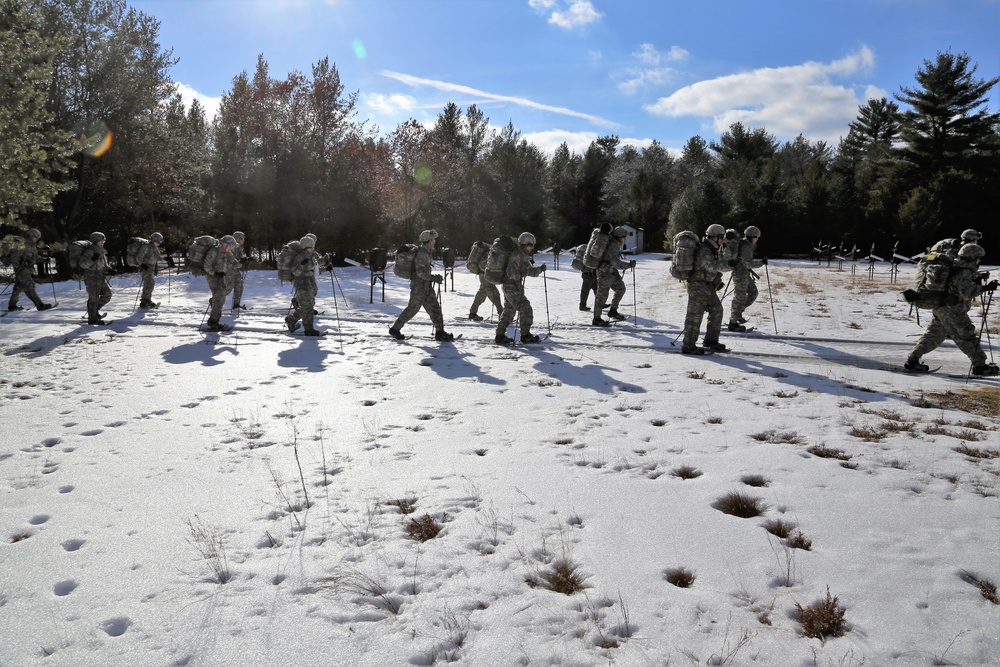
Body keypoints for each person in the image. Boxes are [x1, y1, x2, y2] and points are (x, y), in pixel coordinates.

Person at [905, 243, 999, 376]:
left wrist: (976, 280)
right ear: (973, 258)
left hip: (940, 307)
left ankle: (912, 360)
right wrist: (985, 288)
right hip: (953, 310)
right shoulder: (964, 271)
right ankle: (980, 366)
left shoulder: (955, 265)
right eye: (979, 259)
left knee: (933, 335)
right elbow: (966, 292)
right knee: (966, 336)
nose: (979, 262)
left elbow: (956, 285)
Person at [389, 229, 454, 341]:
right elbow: (420, 273)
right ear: (428, 241)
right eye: (433, 240)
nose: (434, 242)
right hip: (419, 287)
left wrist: (432, 278)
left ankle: (440, 332)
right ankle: (395, 329)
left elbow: (423, 271)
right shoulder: (422, 254)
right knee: (412, 310)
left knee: (435, 308)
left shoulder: (426, 252)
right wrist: (433, 278)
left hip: (425, 285)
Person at [682, 224, 733, 355]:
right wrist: (729, 265)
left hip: (708, 286)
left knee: (717, 310)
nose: (722, 240)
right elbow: (710, 266)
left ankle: (711, 341)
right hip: (698, 286)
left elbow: (718, 262)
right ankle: (688, 345)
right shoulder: (704, 250)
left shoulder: (712, 249)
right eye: (721, 237)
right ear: (714, 237)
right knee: (694, 317)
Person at [495, 232, 546, 344]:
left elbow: (529, 270)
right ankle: (525, 335)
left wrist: (539, 269)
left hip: (511, 287)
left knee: (509, 311)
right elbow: (511, 273)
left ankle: (500, 335)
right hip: (511, 287)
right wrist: (524, 272)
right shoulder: (516, 256)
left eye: (533, 245)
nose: (532, 248)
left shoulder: (522, 255)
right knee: (526, 308)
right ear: (524, 244)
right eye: (530, 245)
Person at [592, 226, 635, 327]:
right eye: (624, 237)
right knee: (602, 296)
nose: (625, 239)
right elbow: (616, 263)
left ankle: (613, 311)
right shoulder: (612, 246)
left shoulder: (616, 245)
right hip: (604, 273)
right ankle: (596, 319)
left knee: (621, 289)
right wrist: (629, 265)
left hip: (611, 272)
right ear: (619, 237)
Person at [727, 226, 766, 332]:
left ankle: (738, 313)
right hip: (740, 275)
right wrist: (761, 263)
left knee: (753, 292)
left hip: (745, 274)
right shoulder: (746, 247)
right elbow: (748, 263)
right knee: (739, 298)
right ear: (753, 237)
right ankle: (733, 323)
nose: (758, 239)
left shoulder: (748, 245)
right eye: (757, 237)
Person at [6, 228, 54, 311]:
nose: (37, 239)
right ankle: (40, 305)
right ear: (31, 236)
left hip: (28, 270)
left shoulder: (32, 246)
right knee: (30, 286)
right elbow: (14, 257)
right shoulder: (22, 245)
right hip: (22, 270)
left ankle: (12, 305)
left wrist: (43, 259)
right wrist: (18, 267)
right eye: (36, 237)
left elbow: (35, 257)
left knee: (18, 288)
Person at [284, 236, 322, 335]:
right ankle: (309, 330)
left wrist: (326, 266)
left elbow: (315, 268)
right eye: (310, 247)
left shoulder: (312, 255)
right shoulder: (300, 256)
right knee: (308, 306)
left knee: (308, 305)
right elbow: (295, 272)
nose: (312, 249)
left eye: (312, 247)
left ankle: (291, 320)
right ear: (305, 247)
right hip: (302, 283)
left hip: (310, 282)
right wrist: (302, 265)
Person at [203, 235, 237, 331]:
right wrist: (215, 272)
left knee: (224, 293)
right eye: (230, 246)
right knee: (220, 298)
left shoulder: (226, 252)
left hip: (221, 276)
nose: (231, 248)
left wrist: (243, 261)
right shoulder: (213, 252)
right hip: (212, 277)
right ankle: (213, 321)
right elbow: (206, 266)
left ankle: (214, 302)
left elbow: (234, 262)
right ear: (225, 245)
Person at [79, 232, 113, 325]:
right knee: (93, 298)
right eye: (101, 241)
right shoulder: (89, 251)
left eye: (103, 241)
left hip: (100, 277)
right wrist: (92, 259)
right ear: (95, 241)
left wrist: (109, 270)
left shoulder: (102, 251)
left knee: (107, 294)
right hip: (91, 277)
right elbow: (83, 264)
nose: (103, 242)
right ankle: (93, 319)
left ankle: (93, 312)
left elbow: (104, 265)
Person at [136, 232, 163, 309]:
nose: (158, 244)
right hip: (145, 268)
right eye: (157, 242)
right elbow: (139, 257)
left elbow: (158, 257)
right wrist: (142, 264)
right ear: (153, 240)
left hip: (151, 268)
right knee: (149, 283)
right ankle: (146, 300)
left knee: (149, 284)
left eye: (159, 242)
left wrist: (166, 259)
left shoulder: (155, 248)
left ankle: (144, 301)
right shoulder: (146, 247)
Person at [575, 243, 597, 312]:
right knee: (585, 291)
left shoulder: (591, 252)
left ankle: (600, 304)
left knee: (597, 290)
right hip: (587, 274)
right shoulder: (588, 253)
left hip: (592, 274)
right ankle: (582, 305)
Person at [230, 231, 248, 309]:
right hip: (228, 270)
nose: (243, 240)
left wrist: (245, 260)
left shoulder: (239, 248)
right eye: (242, 239)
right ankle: (214, 301)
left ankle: (236, 304)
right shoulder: (231, 247)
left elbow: (239, 258)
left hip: (235, 270)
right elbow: (230, 260)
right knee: (225, 289)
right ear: (238, 239)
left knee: (239, 286)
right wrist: (240, 261)